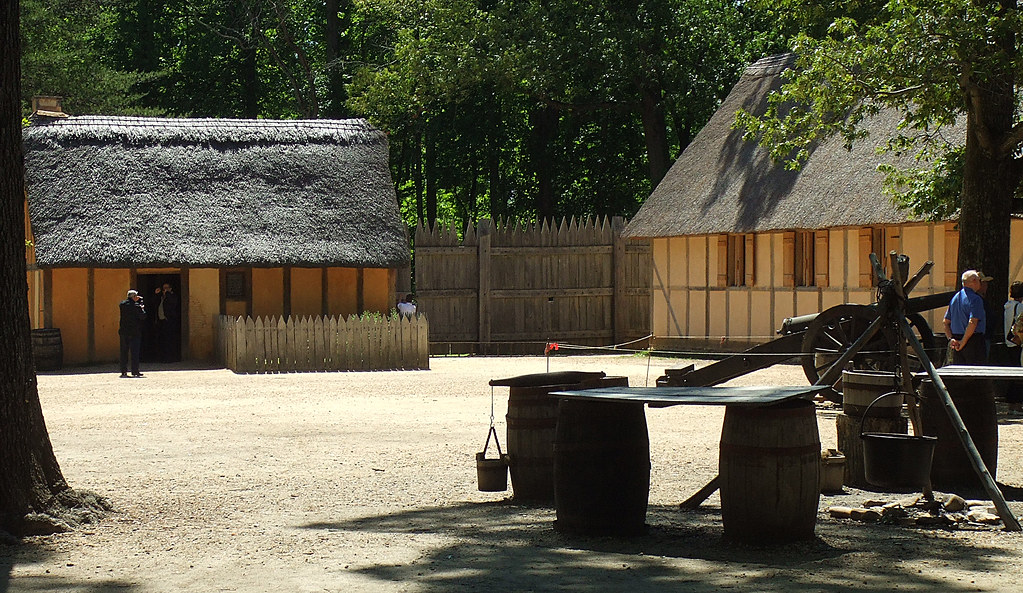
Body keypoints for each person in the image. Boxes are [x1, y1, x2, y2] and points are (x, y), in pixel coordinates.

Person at [943, 269, 992, 365]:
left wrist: (951, 339)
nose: (980, 283)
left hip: (956, 341)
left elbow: (945, 322)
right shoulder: (976, 299)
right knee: (977, 374)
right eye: (978, 280)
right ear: (974, 281)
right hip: (973, 341)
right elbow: (973, 322)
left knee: (960, 373)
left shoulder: (955, 298)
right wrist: (963, 341)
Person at [119, 289, 147, 377]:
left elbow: (124, 304)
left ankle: (123, 370)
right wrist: (141, 307)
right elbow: (143, 316)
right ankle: (135, 371)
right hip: (134, 332)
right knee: (135, 352)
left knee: (124, 352)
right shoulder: (136, 306)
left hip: (124, 331)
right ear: (134, 297)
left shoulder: (122, 305)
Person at [153, 283, 180, 362]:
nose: (165, 289)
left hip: (169, 321)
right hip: (161, 321)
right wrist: (156, 294)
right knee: (161, 340)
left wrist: (167, 293)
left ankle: (170, 358)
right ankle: (162, 358)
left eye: (167, 288)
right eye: (164, 288)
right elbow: (154, 303)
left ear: (170, 289)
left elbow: (173, 303)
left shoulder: (172, 296)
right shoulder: (161, 297)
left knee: (169, 340)